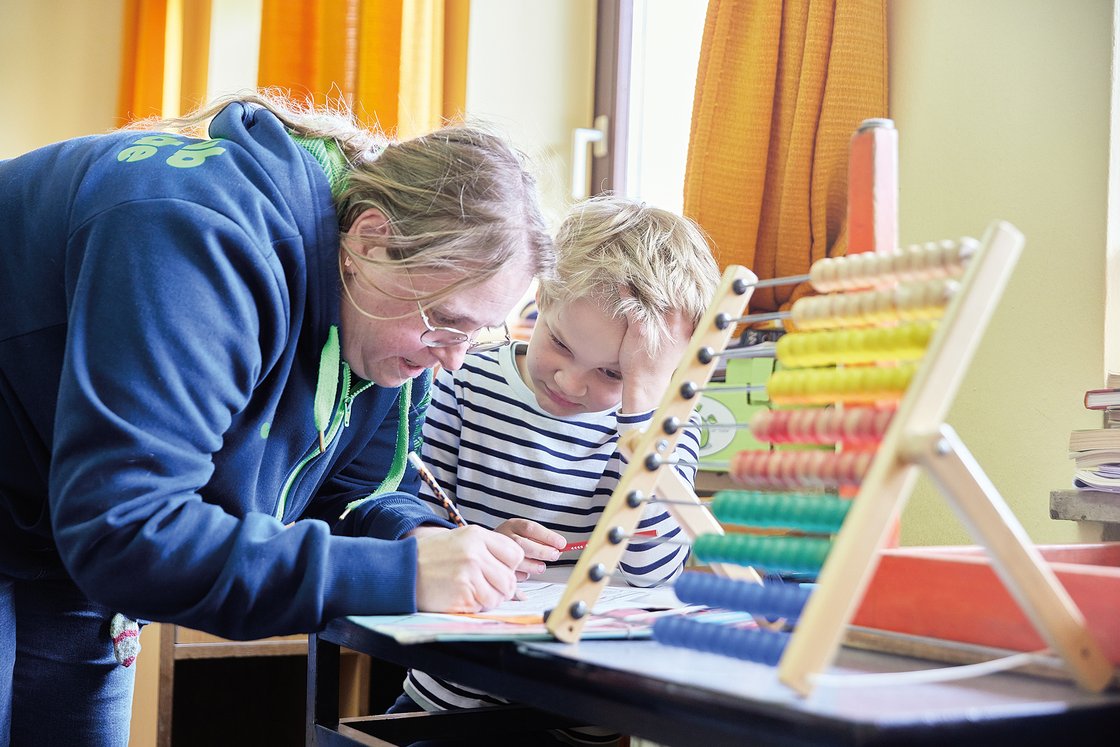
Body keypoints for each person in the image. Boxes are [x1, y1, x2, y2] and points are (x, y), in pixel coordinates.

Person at [0, 90, 555, 745]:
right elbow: (126, 530)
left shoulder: (389, 323)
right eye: (447, 324)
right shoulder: (199, 238)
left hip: (58, 538)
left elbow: (352, 498)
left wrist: (422, 542)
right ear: (371, 239)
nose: (453, 361)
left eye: (479, 334)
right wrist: (399, 577)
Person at [395, 196, 723, 745]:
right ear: (542, 296)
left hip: (583, 711)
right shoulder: (460, 383)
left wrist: (641, 410)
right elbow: (413, 524)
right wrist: (473, 542)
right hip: (453, 700)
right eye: (562, 344)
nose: (571, 383)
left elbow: (656, 570)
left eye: (613, 373)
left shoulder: (664, 432)